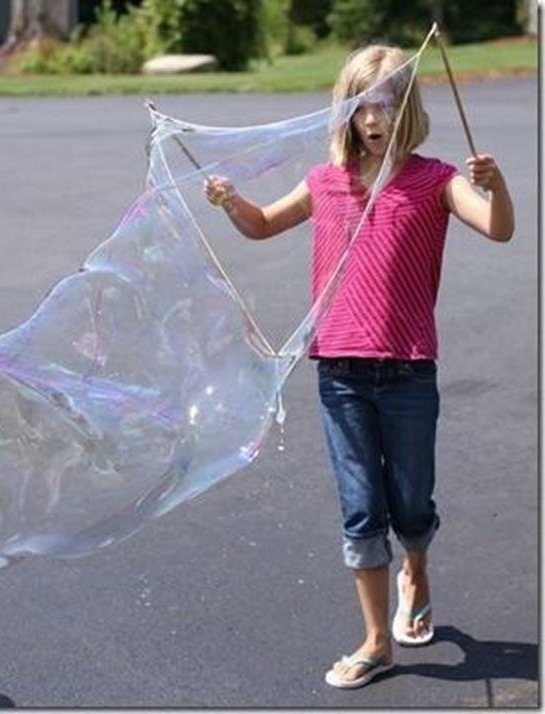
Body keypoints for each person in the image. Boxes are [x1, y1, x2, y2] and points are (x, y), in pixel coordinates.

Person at [202, 45, 514, 689]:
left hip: (407, 371)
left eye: (388, 102)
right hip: (339, 371)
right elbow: (261, 226)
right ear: (346, 113)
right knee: (359, 509)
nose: (374, 118)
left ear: (409, 107)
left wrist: (497, 186)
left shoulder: (435, 180)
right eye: (362, 105)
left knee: (410, 504)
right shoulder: (326, 182)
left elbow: (499, 228)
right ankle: (377, 642)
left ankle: (416, 567)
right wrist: (231, 201)